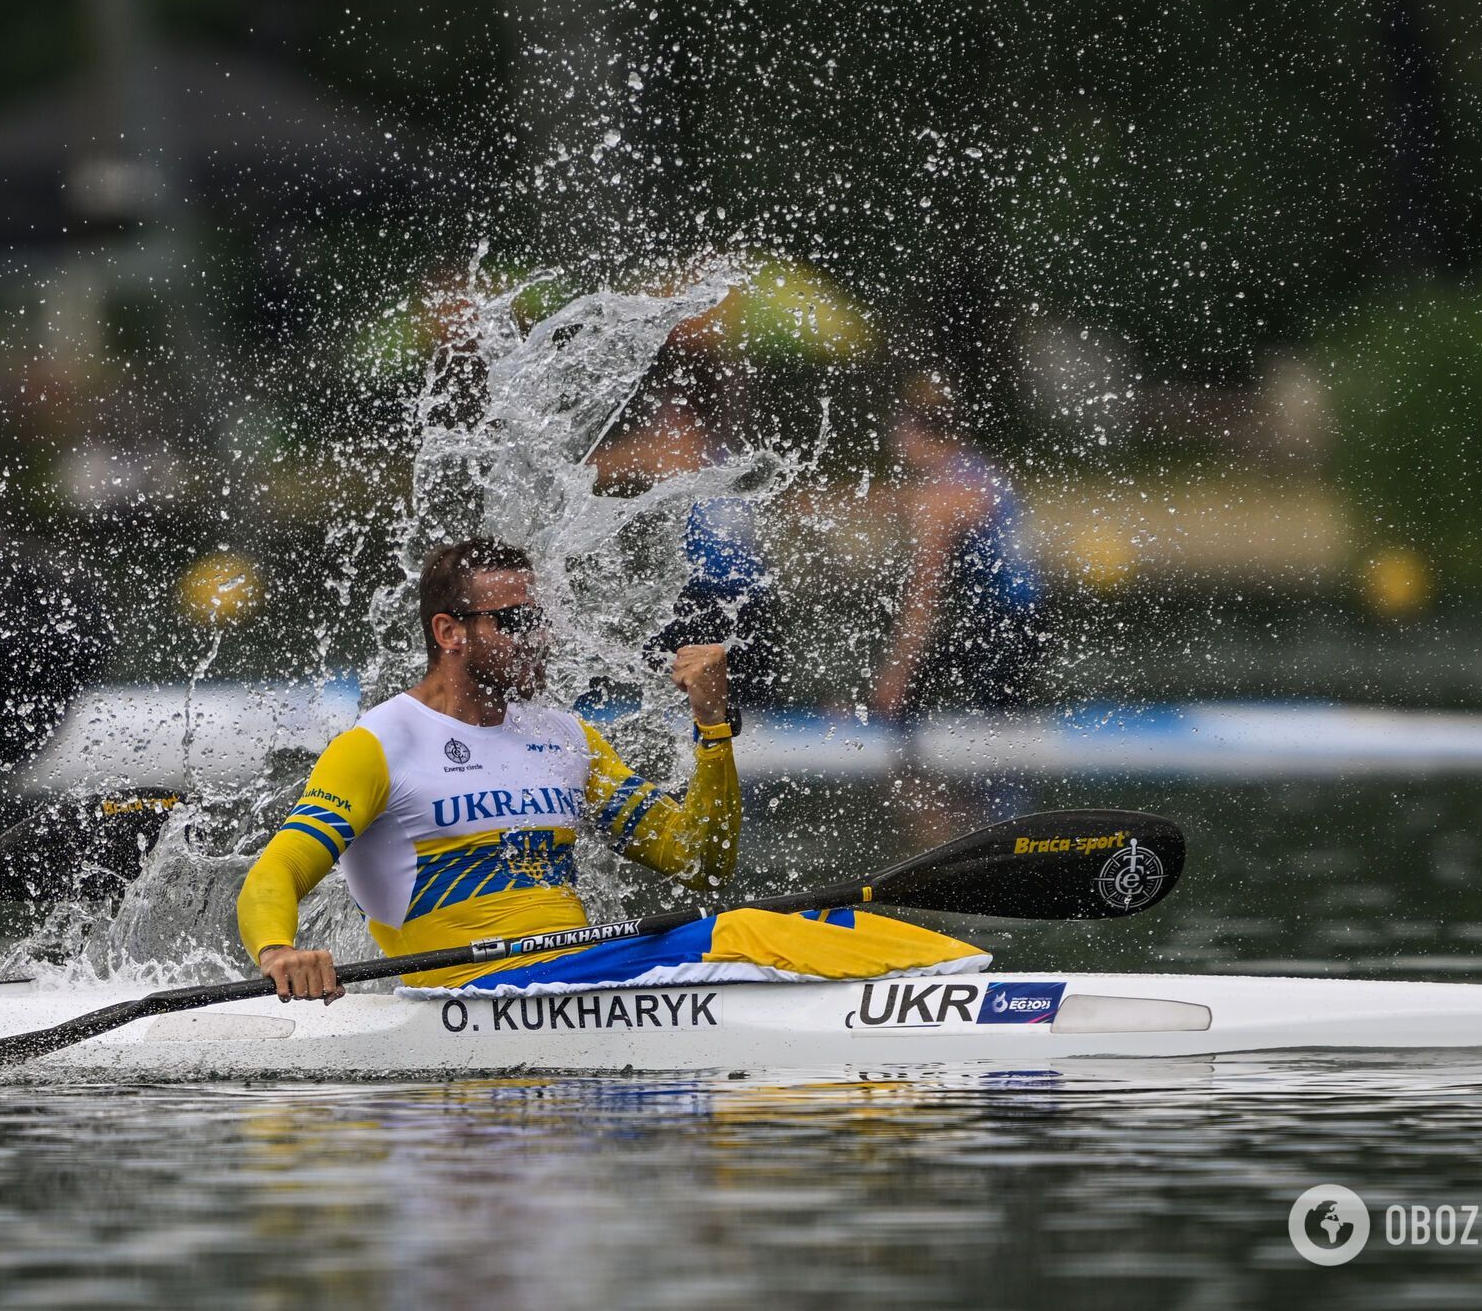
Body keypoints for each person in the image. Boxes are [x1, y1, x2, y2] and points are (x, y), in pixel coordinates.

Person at [240, 538, 981, 1001]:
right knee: (744, 934)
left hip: (576, 977)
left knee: (807, 919)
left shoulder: (566, 738)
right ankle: (986, 998)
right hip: (474, 991)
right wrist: (281, 953)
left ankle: (977, 979)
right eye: (517, 622)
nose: (543, 638)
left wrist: (713, 728)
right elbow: (274, 875)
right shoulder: (379, 744)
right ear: (450, 633)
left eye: (542, 618)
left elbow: (698, 860)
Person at [585, 344, 785, 707]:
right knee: (742, 716)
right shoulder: (724, 449)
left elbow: (592, 470)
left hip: (710, 605)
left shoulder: (678, 446)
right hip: (750, 605)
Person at [868, 369, 1043, 720]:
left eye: (897, 429)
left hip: (998, 627)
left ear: (914, 432)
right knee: (1002, 720)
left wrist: (897, 676)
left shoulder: (940, 500)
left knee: (911, 692)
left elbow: (925, 593)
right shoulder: (977, 468)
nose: (893, 440)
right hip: (1027, 619)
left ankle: (879, 725)